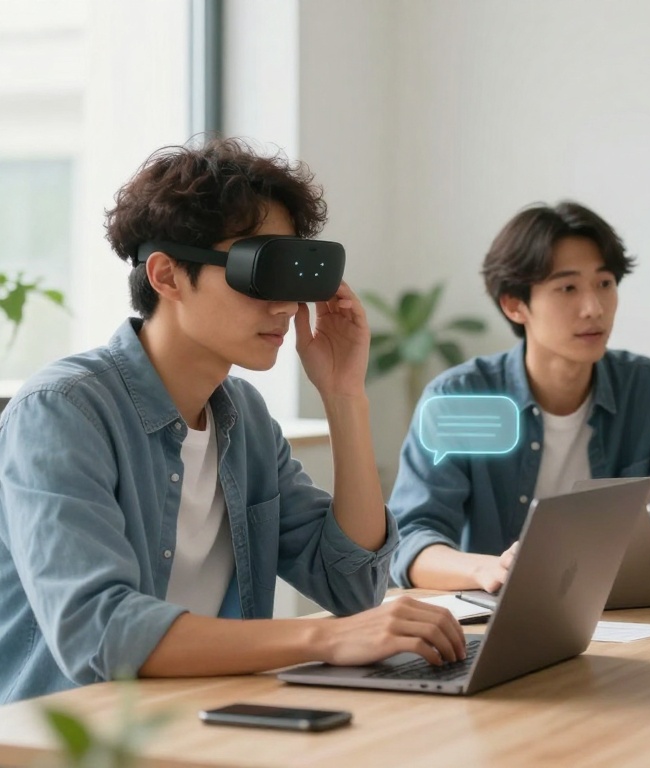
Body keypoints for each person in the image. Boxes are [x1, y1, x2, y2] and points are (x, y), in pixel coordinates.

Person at [0, 138, 465, 704]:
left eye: (295, 275)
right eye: (260, 270)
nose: (287, 305)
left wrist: (344, 398)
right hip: (79, 740)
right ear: (167, 276)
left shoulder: (243, 417)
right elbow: (99, 631)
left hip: (208, 722)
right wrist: (324, 638)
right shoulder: (63, 411)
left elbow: (353, 587)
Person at [389, 201, 650, 592]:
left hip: (629, 612)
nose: (594, 308)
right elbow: (411, 541)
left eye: (604, 284)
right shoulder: (461, 399)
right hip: (499, 615)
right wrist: (487, 570)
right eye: (567, 288)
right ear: (514, 305)